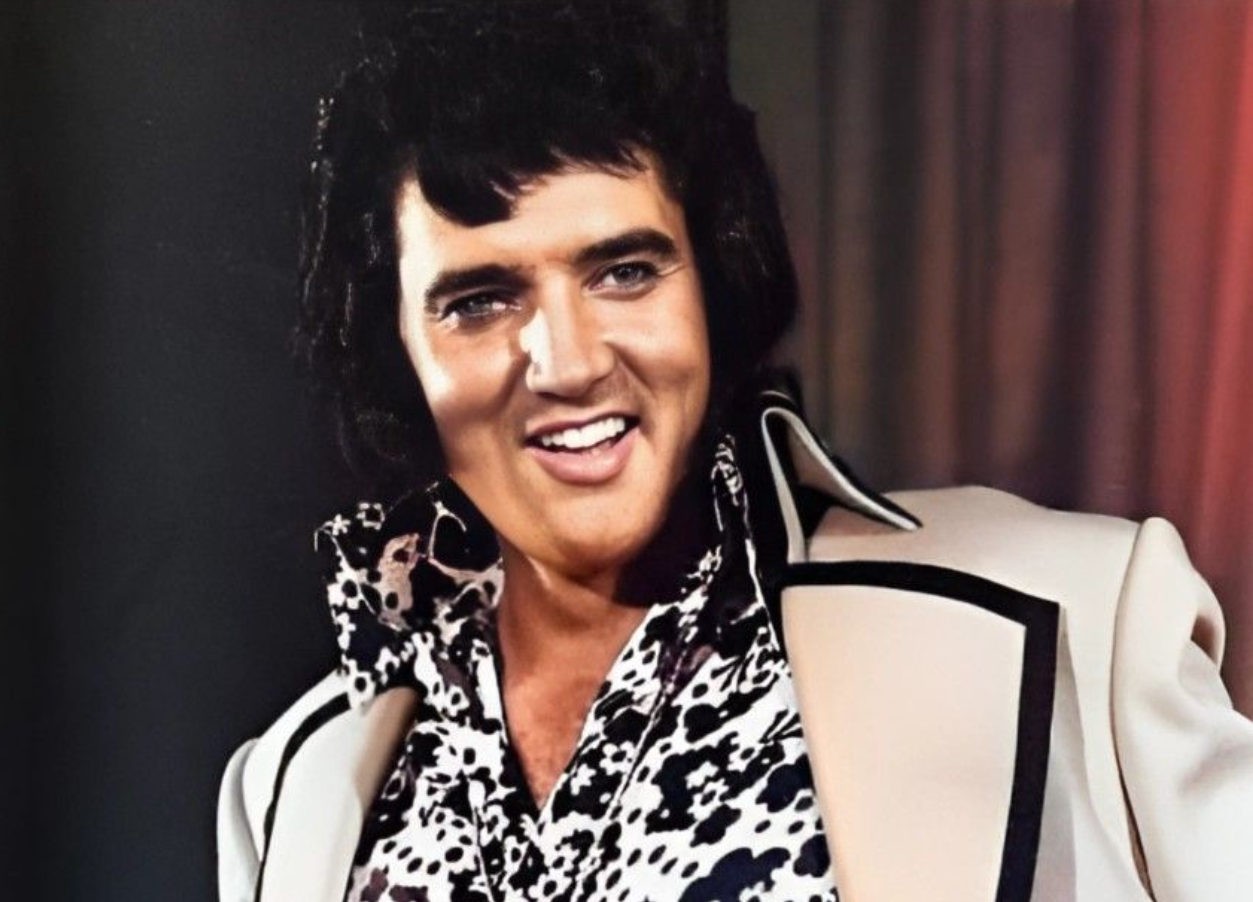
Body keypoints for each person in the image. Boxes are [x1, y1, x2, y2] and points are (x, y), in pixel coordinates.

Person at [216, 3, 1253, 901]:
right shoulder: (292, 787)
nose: (568, 362)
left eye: (624, 271)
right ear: (394, 352)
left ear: (711, 284)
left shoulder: (1087, 621)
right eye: (481, 301)